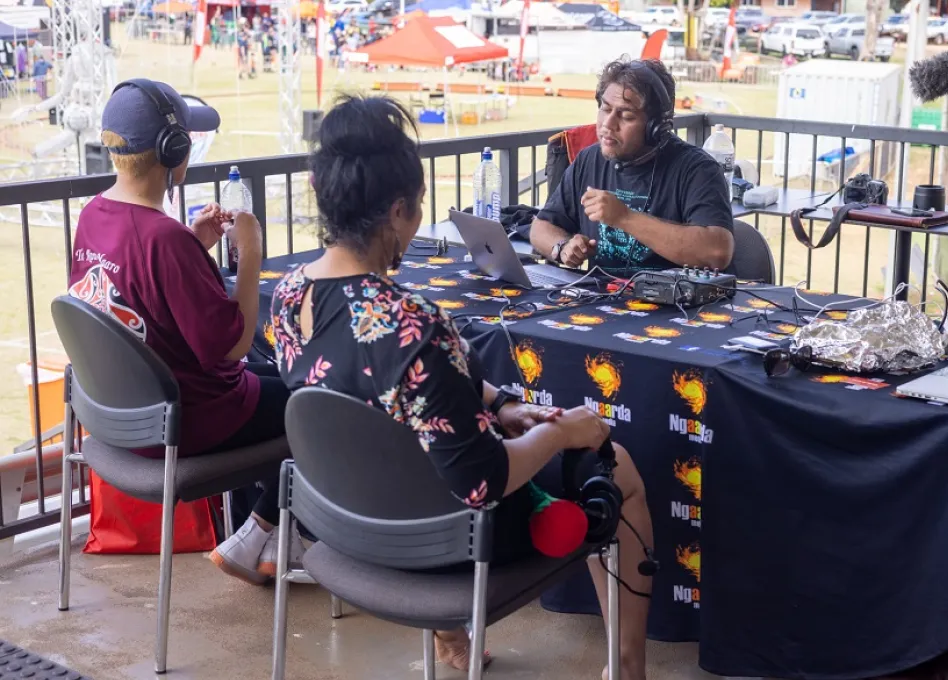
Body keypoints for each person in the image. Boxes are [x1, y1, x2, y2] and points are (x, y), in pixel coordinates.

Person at [270, 95, 654, 680]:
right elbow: (484, 480)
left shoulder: (289, 295)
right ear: (398, 210)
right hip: (443, 541)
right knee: (616, 465)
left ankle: (451, 637)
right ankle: (626, 670)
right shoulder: (414, 323)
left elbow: (381, 391)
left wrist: (502, 404)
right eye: (419, 207)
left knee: (426, 450)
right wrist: (563, 434)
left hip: (346, 522)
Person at [65, 79, 293, 586]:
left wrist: (194, 246)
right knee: (314, 394)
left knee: (273, 372)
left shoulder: (94, 217)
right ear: (175, 150)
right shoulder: (164, 239)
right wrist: (249, 257)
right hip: (189, 420)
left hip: (121, 418)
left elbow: (133, 298)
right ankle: (263, 530)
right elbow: (230, 348)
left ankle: (266, 534)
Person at [530, 58, 734, 276]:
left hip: (677, 307)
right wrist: (562, 247)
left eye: (626, 116)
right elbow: (541, 227)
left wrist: (625, 218)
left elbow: (716, 252)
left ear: (656, 127)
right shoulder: (588, 160)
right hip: (599, 303)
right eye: (605, 109)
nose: (608, 124)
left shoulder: (697, 170)